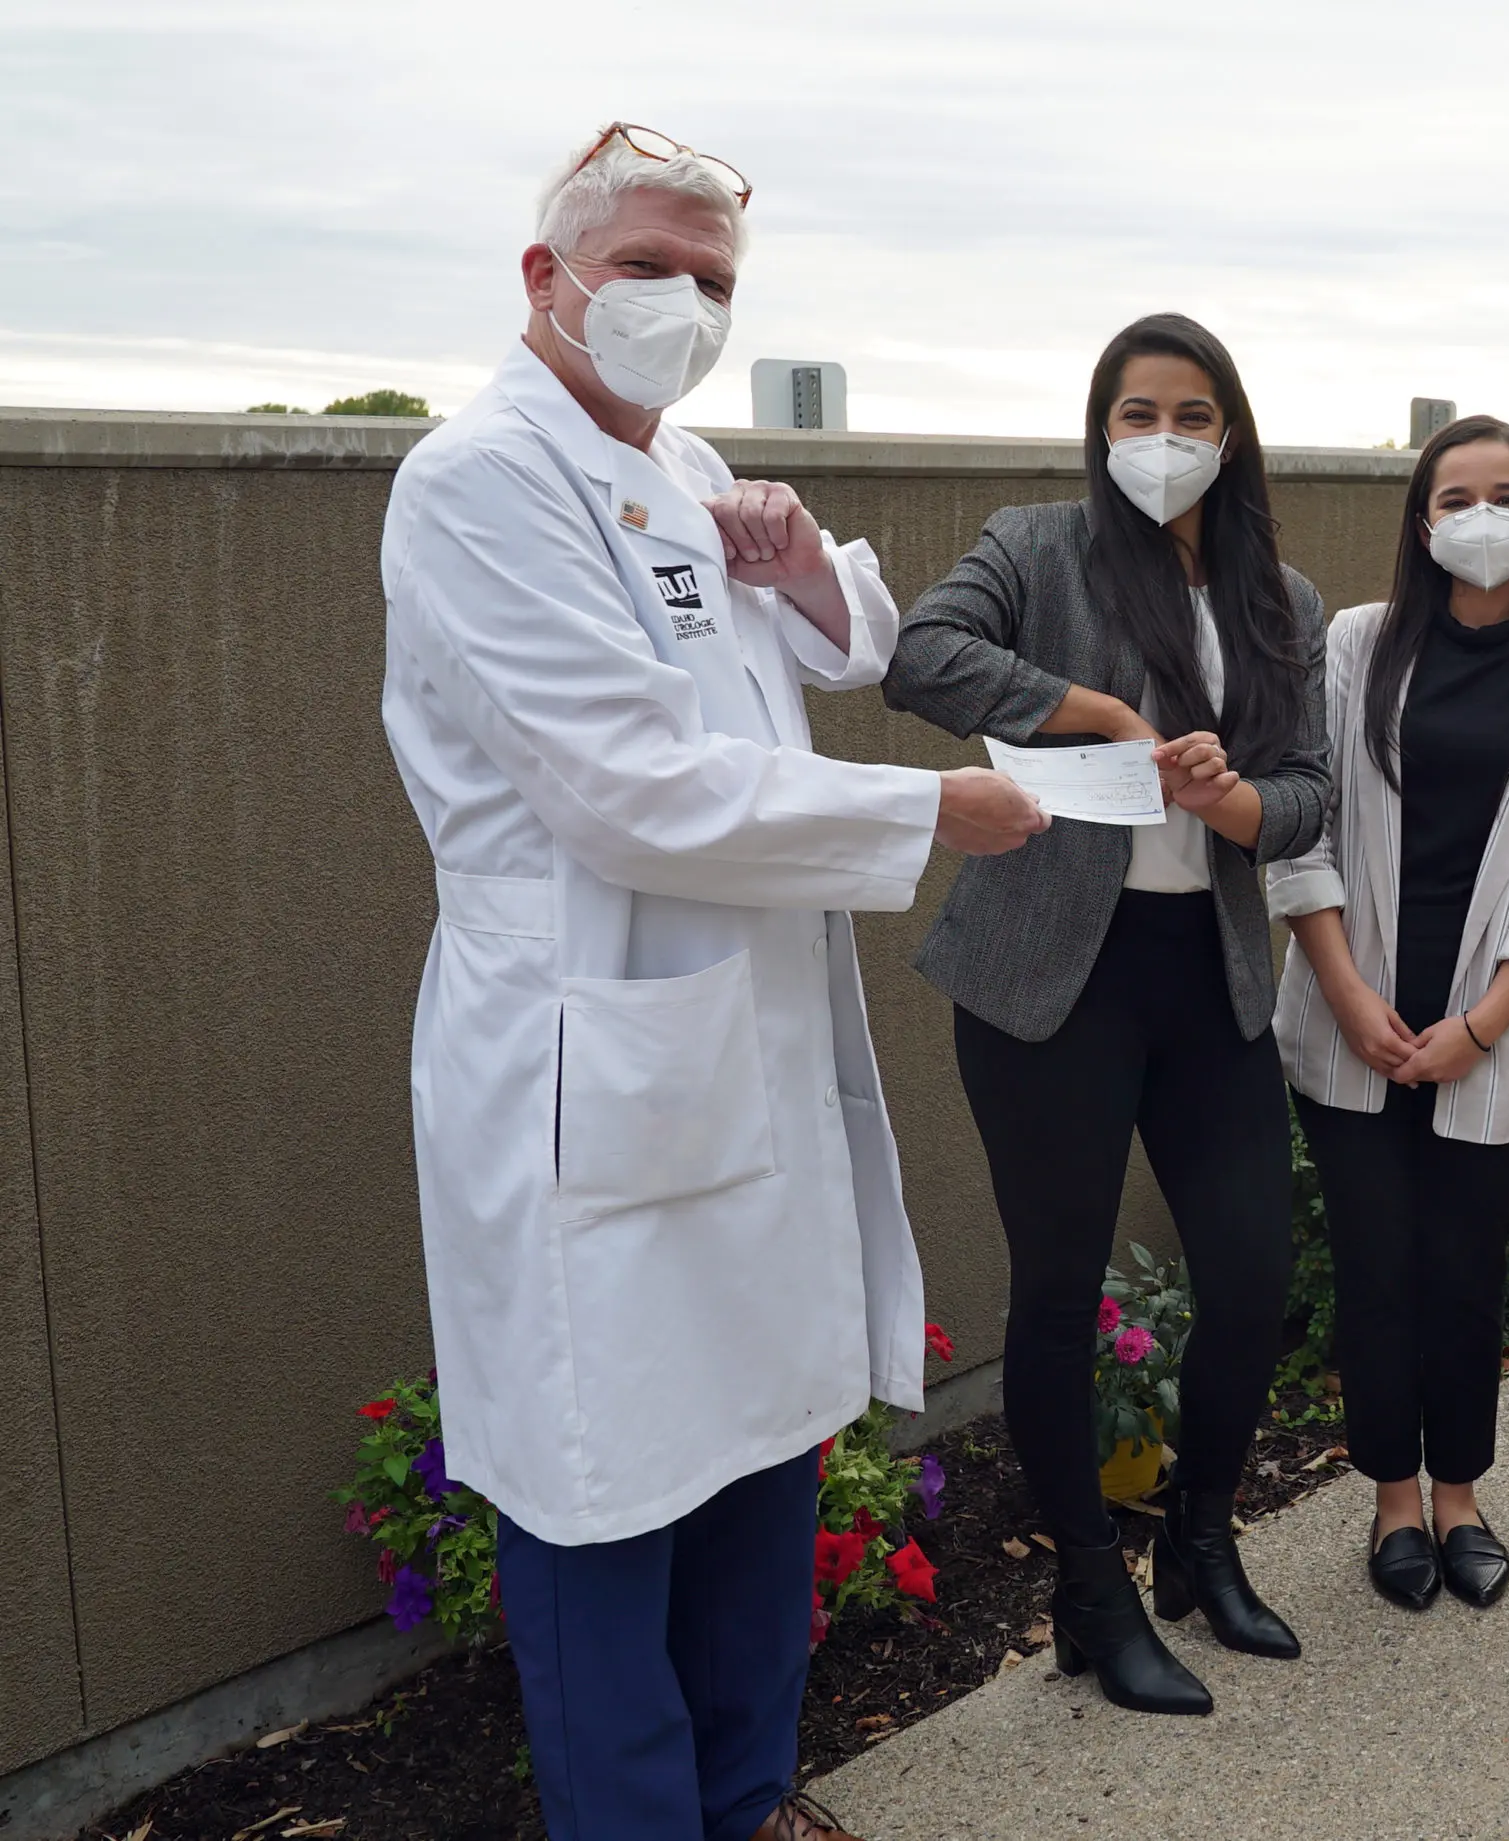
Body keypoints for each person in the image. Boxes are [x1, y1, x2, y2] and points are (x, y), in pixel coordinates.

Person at [378, 125, 1045, 1841]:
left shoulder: (685, 463)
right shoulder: (477, 482)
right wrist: (934, 810)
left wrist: (805, 560)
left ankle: (750, 1801)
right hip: (590, 1056)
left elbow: (846, 649)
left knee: (758, 1451)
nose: (684, 305)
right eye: (650, 268)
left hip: (738, 1041)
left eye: (717, 282)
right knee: (601, 1496)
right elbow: (632, 789)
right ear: (548, 278)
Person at [882, 313, 1328, 1716]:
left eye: (1191, 415)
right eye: (1136, 414)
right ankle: (1090, 1587)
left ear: (1232, 433)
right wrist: (1104, 715)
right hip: (1048, 979)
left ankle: (1200, 1538)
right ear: (1101, 428)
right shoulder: (1036, 546)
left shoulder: (1281, 602)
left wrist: (1228, 795)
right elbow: (919, 656)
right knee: (1060, 1293)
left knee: (1253, 1276)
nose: (1163, 440)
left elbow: (1308, 790)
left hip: (1209, 973)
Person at [1270, 416, 1509, 1613]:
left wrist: (1482, 1022)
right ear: (1423, 521)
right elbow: (1302, 824)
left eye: (1505, 492)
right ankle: (1388, 1496)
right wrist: (1345, 990)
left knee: (1464, 1270)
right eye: (1456, 495)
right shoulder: (1357, 644)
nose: (1481, 514)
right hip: (1350, 1016)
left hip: (1492, 1030)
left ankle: (1460, 1491)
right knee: (1375, 1267)